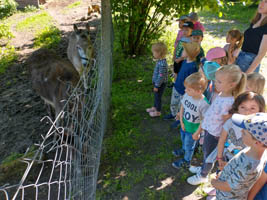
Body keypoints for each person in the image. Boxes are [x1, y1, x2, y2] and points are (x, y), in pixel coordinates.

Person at [187, 64, 246, 185]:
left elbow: (226, 124)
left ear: (232, 84)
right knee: (205, 153)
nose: (215, 83)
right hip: (209, 130)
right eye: (216, 80)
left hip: (215, 135)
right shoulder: (221, 94)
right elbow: (211, 114)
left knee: (209, 156)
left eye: (219, 81)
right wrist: (200, 129)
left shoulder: (229, 102)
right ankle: (203, 168)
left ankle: (203, 175)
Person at [211, 113, 267, 199]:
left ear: (257, 142)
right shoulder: (257, 152)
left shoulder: (249, 167)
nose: (241, 131)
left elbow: (228, 186)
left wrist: (214, 182)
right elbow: (240, 174)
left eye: (244, 133)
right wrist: (228, 168)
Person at [172, 72, 209, 169]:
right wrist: (180, 120)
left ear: (198, 91)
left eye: (188, 89)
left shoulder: (203, 104)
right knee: (184, 140)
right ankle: (183, 149)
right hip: (184, 125)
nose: (185, 90)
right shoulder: (187, 95)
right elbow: (182, 107)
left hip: (193, 129)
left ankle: (186, 160)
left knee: (190, 146)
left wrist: (197, 132)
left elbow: (204, 121)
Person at [165, 42, 200, 122]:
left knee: (182, 106)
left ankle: (179, 119)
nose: (182, 51)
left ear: (188, 53)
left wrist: (187, 92)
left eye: (184, 50)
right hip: (177, 86)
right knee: (174, 102)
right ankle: (173, 113)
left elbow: (192, 81)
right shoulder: (184, 61)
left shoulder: (193, 67)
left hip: (184, 91)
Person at [235, 0, 267, 73]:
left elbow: (261, 54)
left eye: (266, 2)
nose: (261, 4)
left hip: (249, 63)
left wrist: (248, 73)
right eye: (261, 0)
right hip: (240, 58)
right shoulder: (255, 22)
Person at [146, 42, 168, 117]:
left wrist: (157, 86)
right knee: (156, 96)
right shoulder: (160, 61)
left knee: (158, 97)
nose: (153, 54)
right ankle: (155, 107)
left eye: (154, 52)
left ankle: (158, 111)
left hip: (160, 84)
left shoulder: (162, 64)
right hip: (157, 83)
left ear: (159, 53)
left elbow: (161, 76)